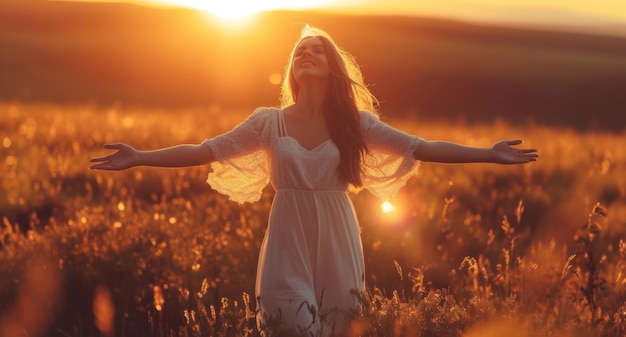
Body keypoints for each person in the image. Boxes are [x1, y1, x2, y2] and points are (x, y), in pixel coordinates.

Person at [90, 25, 538, 336]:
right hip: (288, 236)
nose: (305, 54)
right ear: (292, 71)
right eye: (299, 52)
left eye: (316, 50)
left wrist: (488, 154)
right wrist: (139, 158)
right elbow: (206, 150)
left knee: (339, 323)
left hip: (338, 235)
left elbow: (419, 147)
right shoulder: (268, 122)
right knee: (291, 322)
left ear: (333, 68)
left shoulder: (356, 123)